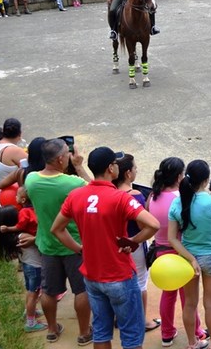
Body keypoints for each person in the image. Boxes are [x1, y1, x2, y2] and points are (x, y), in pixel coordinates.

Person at [52, 147, 160, 349]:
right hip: (119, 275)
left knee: (101, 331)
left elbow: (57, 229)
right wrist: (133, 241)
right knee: (131, 336)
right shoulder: (121, 198)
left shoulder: (76, 195)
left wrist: (79, 249)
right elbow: (153, 224)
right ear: (111, 168)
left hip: (92, 276)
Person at [24, 138, 93, 345]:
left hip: (47, 245)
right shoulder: (73, 183)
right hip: (75, 246)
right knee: (81, 290)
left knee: (49, 290)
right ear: (61, 158)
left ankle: (52, 329)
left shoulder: (32, 180)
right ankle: (83, 332)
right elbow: (95, 190)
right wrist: (79, 166)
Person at [168, 159, 211, 349]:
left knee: (190, 304)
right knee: (210, 304)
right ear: (206, 181)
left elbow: (172, 238)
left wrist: (191, 259)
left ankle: (192, 343)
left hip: (188, 259)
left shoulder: (177, 203)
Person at [146, 157, 207, 348]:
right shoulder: (177, 199)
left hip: (160, 252)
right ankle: (197, 331)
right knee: (188, 299)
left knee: (168, 293)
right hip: (179, 252)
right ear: (180, 176)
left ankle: (166, 333)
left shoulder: (152, 196)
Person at [114, 153, 161, 332]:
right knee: (140, 282)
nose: (136, 171)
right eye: (134, 168)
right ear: (127, 173)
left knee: (118, 280)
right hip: (133, 244)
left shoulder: (108, 192)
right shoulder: (135, 196)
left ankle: (120, 317)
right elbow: (144, 225)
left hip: (113, 243)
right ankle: (142, 321)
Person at [0, 195, 47, 332]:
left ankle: (29, 311)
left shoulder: (12, 236)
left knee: (30, 291)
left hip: (27, 265)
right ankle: (31, 323)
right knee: (34, 293)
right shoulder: (23, 236)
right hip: (34, 266)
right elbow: (40, 242)